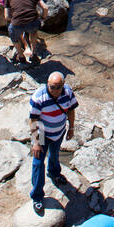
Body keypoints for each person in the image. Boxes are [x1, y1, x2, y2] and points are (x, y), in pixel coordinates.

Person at [29, 70, 78, 213]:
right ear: (47, 85)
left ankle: (54, 173)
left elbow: (71, 111)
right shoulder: (39, 96)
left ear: (63, 85)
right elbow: (33, 120)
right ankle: (37, 196)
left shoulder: (68, 93)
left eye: (58, 87)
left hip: (59, 131)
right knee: (38, 163)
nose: (55, 90)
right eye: (52, 87)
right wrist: (36, 142)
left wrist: (71, 128)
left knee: (55, 154)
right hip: (43, 132)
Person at [4, 0, 49, 66]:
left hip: (17, 23)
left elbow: (6, 16)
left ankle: (21, 56)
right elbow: (45, 7)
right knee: (33, 33)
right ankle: (34, 54)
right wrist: (42, 18)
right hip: (32, 22)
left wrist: (14, 19)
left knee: (14, 35)